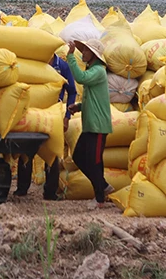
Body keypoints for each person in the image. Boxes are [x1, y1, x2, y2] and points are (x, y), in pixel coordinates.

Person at [15, 53, 77, 200]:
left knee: (52, 153)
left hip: (53, 116)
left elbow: (72, 91)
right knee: (26, 151)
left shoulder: (62, 66)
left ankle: (50, 192)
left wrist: (67, 117)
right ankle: (22, 189)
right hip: (31, 115)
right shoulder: (34, 65)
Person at [65, 38, 113, 208]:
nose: (82, 53)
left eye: (85, 50)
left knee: (95, 161)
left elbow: (80, 78)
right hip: (91, 125)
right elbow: (93, 99)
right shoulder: (93, 69)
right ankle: (103, 186)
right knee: (78, 156)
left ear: (93, 54)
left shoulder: (99, 71)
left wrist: (70, 57)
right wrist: (79, 107)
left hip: (98, 126)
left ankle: (100, 197)